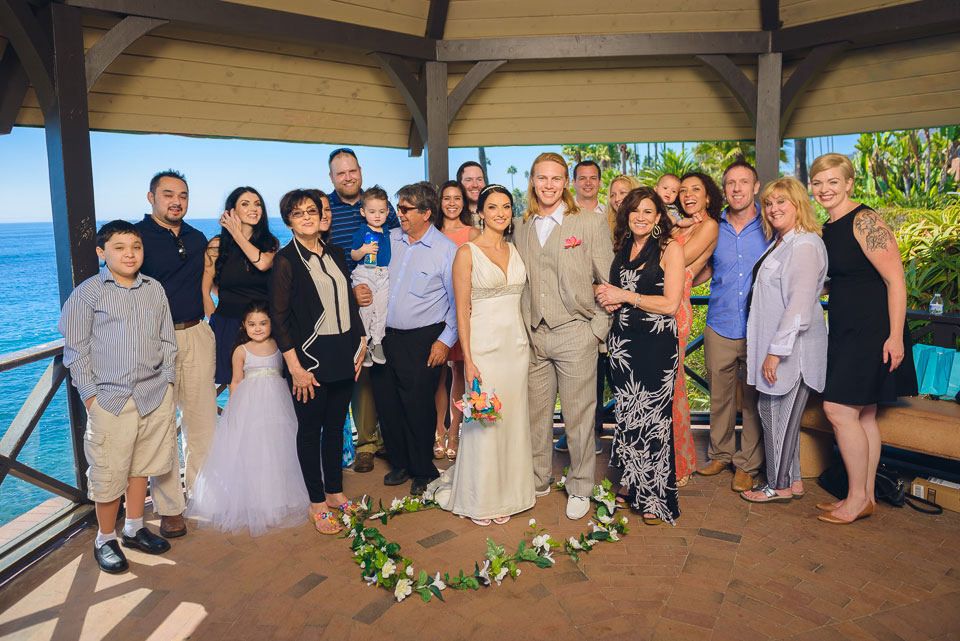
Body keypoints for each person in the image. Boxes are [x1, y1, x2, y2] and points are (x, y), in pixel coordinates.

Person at [59, 220, 177, 573]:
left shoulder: (154, 289)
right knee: (110, 474)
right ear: (102, 252)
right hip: (110, 400)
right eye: (120, 247)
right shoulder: (87, 294)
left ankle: (134, 528)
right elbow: (76, 352)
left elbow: (168, 341)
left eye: (136, 247)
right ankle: (105, 538)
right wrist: (92, 398)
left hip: (153, 395)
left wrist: (167, 382)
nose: (129, 254)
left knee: (142, 468)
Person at [811, 153, 917, 524]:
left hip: (872, 331)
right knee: (865, 414)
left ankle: (856, 498)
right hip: (844, 328)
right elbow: (845, 277)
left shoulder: (865, 219)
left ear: (849, 183)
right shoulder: (830, 225)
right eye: (818, 182)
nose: (825, 189)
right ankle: (866, 497)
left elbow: (896, 280)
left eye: (833, 182)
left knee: (837, 410)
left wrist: (895, 337)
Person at [426, 185, 536, 525]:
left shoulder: (516, 251)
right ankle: (481, 496)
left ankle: (510, 494)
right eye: (493, 207)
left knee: (512, 420)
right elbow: (461, 312)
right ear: (481, 213)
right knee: (483, 423)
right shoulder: (467, 253)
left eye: (506, 206)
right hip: (483, 350)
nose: (500, 212)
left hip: (516, 349)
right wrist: (469, 360)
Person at [514, 152, 613, 520]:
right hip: (535, 334)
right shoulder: (521, 225)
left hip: (576, 332)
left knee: (579, 416)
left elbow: (608, 282)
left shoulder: (588, 223)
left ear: (566, 182)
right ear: (533, 181)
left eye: (556, 178)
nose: (549, 185)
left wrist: (595, 331)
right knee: (536, 416)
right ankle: (538, 479)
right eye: (542, 178)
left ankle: (581, 484)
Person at [270, 188, 366, 535]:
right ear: (289, 222)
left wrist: (362, 342)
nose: (308, 217)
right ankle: (316, 502)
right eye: (298, 213)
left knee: (336, 427)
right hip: (308, 358)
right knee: (311, 431)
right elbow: (279, 319)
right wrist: (295, 368)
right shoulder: (285, 261)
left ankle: (335, 492)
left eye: (312, 210)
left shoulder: (337, 253)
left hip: (343, 352)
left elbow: (351, 303)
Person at [136, 169, 218, 538]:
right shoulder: (136, 238)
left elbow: (216, 278)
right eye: (168, 194)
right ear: (151, 198)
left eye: (183, 195)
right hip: (156, 341)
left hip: (197, 332)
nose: (176, 201)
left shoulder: (197, 237)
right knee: (161, 426)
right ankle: (170, 508)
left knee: (203, 424)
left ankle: (202, 495)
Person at [595, 187, 684, 525]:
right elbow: (617, 290)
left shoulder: (670, 249)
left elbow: (669, 304)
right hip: (622, 346)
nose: (641, 217)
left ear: (659, 216)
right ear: (626, 215)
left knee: (654, 421)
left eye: (648, 211)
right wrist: (609, 296)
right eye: (635, 211)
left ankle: (656, 497)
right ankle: (632, 483)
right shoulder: (622, 247)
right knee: (629, 418)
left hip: (655, 346)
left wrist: (625, 295)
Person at [365, 182, 458, 497]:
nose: (398, 213)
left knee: (418, 406)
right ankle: (401, 463)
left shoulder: (447, 250)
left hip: (422, 339)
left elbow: (459, 303)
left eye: (405, 209)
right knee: (387, 403)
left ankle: (423, 469)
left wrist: (445, 340)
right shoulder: (389, 240)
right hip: (382, 337)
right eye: (398, 207)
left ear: (426, 213)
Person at [187, 301, 310, 535]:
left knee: (278, 447)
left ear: (272, 324)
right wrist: (234, 408)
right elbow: (235, 381)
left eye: (263, 323)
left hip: (277, 403)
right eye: (252, 324)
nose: (258, 328)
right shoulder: (240, 351)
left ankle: (279, 496)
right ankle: (256, 500)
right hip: (251, 405)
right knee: (254, 449)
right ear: (244, 325)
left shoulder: (279, 346)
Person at [742, 178, 828, 504]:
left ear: (798, 205)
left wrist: (775, 353)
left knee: (780, 418)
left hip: (796, 353)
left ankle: (777, 486)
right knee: (771, 413)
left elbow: (798, 306)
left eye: (781, 202)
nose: (773, 208)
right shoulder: (782, 242)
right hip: (778, 348)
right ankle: (792, 481)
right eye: (769, 203)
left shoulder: (804, 245)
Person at [695, 162, 770, 492]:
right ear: (723, 191)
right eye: (730, 183)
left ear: (755, 187)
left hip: (759, 327)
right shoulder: (712, 227)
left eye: (744, 182)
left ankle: (748, 464)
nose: (737, 188)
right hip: (719, 323)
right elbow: (704, 268)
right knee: (720, 397)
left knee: (754, 400)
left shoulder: (771, 225)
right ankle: (721, 454)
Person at [326, 148, 397, 474]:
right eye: (341, 173)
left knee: (388, 369)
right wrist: (351, 290)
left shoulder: (384, 207)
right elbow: (324, 260)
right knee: (362, 376)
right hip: (350, 305)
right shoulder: (326, 209)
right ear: (332, 178)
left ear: (360, 171)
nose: (348, 177)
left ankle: (391, 438)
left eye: (352, 170)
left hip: (386, 299)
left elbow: (400, 245)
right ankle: (366, 444)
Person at [671, 172, 720, 487]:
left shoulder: (709, 226)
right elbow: (699, 270)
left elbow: (679, 260)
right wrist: (688, 279)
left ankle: (680, 462)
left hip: (674, 312)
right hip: (658, 302)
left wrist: (682, 281)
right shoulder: (678, 225)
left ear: (708, 197)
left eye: (695, 190)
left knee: (671, 387)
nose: (688, 195)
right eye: (683, 190)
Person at [202, 186, 278, 385]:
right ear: (232, 211)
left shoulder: (270, 243)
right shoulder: (216, 245)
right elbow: (206, 287)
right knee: (234, 384)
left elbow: (261, 263)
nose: (254, 209)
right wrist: (213, 315)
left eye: (258, 204)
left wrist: (237, 234)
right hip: (227, 323)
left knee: (264, 382)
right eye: (245, 204)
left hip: (262, 323)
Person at [433, 181, 480, 461]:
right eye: (446, 197)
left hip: (464, 310)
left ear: (464, 202)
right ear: (439, 202)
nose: (452, 203)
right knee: (438, 373)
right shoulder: (432, 233)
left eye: (457, 198)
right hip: (436, 311)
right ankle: (437, 429)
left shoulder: (472, 233)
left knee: (461, 371)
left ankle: (454, 430)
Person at [349, 185, 393, 367]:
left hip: (383, 274)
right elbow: (353, 255)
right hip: (365, 272)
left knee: (382, 308)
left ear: (388, 211)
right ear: (363, 212)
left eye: (381, 211)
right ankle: (363, 344)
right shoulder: (362, 232)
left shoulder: (388, 231)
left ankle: (377, 342)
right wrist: (363, 250)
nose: (377, 215)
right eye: (372, 211)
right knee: (367, 309)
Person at [457, 160, 487, 227]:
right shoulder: (453, 217)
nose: (475, 185)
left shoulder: (494, 216)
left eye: (479, 179)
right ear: (459, 184)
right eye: (469, 180)